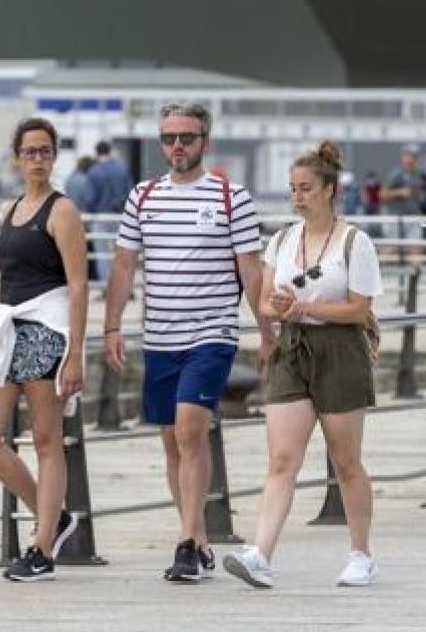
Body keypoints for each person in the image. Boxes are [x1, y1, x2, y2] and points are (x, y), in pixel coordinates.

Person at [104, 102, 275, 582]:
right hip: (159, 336)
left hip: (212, 333)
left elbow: (251, 269)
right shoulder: (143, 196)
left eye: (187, 138)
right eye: (169, 138)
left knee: (189, 430)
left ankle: (184, 543)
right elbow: (122, 265)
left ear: (205, 140)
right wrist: (112, 326)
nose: (177, 146)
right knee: (170, 443)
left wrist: (266, 333)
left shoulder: (230, 196)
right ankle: (198, 540)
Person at [224, 141, 383, 590]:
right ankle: (261, 553)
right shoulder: (281, 239)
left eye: (307, 188)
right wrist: (280, 309)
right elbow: (263, 299)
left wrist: (308, 307)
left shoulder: (355, 242)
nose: (298, 196)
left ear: (329, 190)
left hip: (340, 350)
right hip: (293, 350)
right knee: (282, 458)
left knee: (346, 460)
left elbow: (358, 309)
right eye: (293, 188)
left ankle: (361, 553)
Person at [0, 117, 88, 582]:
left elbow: (79, 287)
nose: (38, 159)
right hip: (7, 330)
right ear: (17, 159)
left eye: (45, 151)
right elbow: (5, 278)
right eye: (30, 151)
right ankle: (52, 517)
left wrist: (76, 353)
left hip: (48, 329)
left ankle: (42, 549)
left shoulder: (63, 212)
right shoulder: (11, 208)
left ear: (54, 156)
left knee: (45, 440)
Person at [88, 140, 133, 288]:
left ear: (97, 152)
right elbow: (130, 192)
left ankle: (105, 287)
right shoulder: (121, 168)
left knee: (101, 253)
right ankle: (125, 287)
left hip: (100, 216)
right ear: (110, 151)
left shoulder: (94, 171)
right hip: (120, 216)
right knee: (122, 253)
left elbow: (90, 198)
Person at [381, 144, 425, 240]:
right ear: (402, 157)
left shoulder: (417, 174)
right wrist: (399, 192)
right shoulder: (395, 174)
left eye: (413, 156)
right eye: (408, 155)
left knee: (416, 248)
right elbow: (382, 194)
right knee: (393, 248)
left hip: (413, 217)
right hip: (396, 217)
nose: (410, 159)